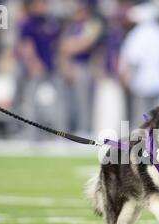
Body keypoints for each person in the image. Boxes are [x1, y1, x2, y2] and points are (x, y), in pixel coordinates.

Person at [118, 2, 159, 129]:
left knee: (141, 115)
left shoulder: (137, 34)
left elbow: (131, 59)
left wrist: (125, 77)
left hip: (140, 81)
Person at [17, 0, 64, 140]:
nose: (44, 7)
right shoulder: (29, 23)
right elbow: (26, 45)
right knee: (31, 101)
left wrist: (60, 62)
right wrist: (33, 63)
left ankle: (61, 133)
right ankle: (31, 134)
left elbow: (58, 43)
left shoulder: (50, 21)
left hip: (52, 66)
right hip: (36, 67)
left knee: (60, 100)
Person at [60, 1, 102, 135]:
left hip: (84, 66)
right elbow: (62, 46)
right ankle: (71, 128)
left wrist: (71, 46)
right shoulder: (71, 26)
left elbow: (86, 43)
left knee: (84, 100)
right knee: (69, 100)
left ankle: (84, 129)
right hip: (70, 66)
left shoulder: (92, 25)